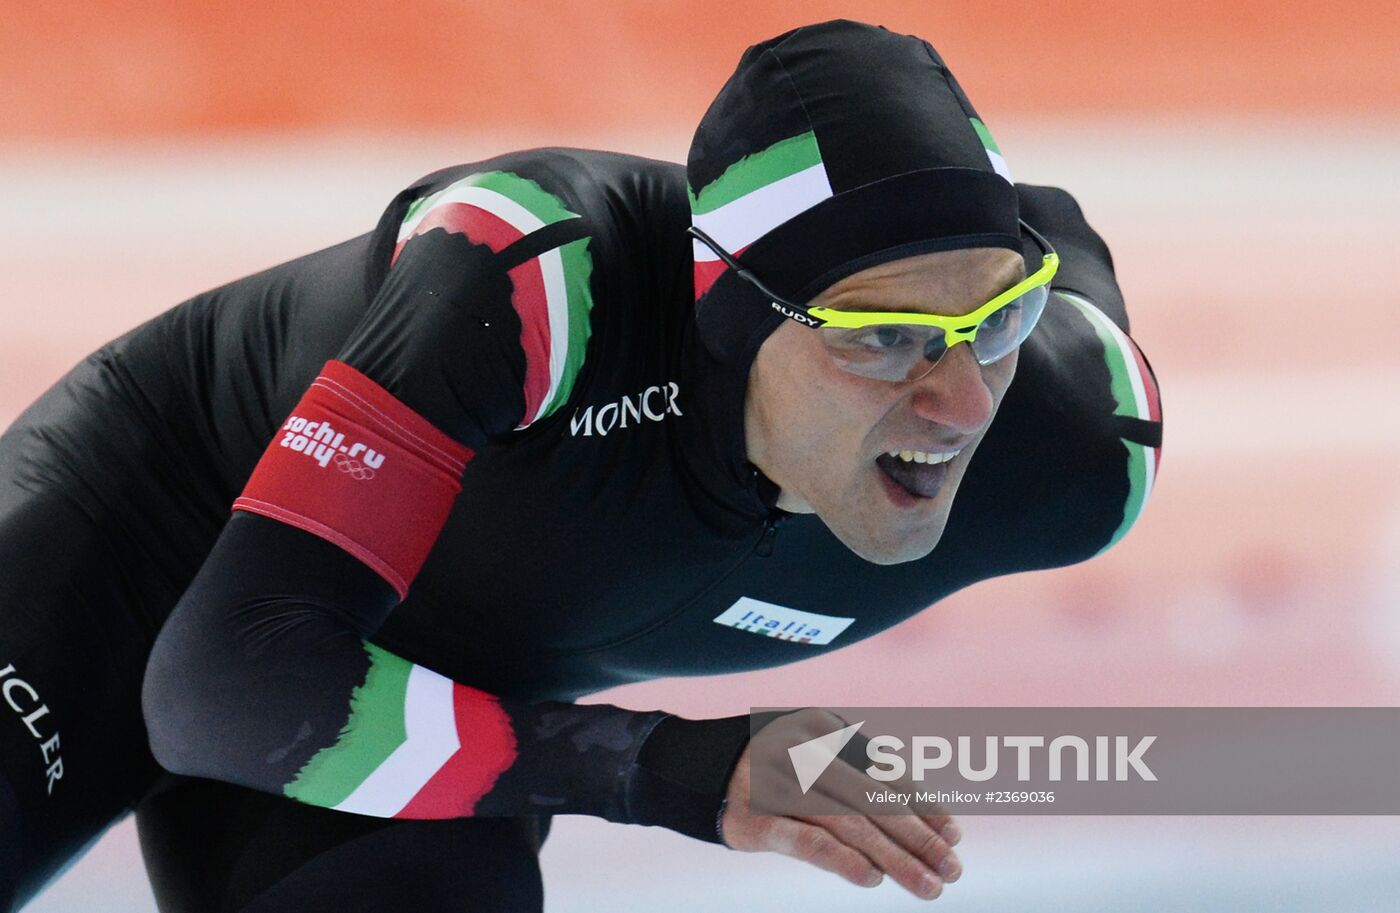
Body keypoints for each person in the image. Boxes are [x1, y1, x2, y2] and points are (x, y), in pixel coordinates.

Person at [0, 19, 1161, 913]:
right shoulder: (535, 275)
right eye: (879, 337)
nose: (958, 402)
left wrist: (975, 279)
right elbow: (221, 686)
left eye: (995, 321)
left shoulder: (1071, 452)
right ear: (730, 318)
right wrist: (666, 769)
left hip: (430, 687)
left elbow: (1061, 241)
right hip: (145, 535)